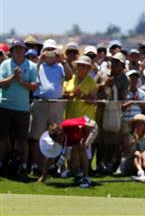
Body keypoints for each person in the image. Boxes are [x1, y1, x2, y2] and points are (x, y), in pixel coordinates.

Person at [29, 39, 73, 175]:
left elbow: (70, 76)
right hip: (40, 103)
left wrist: (63, 60)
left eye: (52, 50)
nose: (49, 53)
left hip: (56, 104)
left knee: (57, 136)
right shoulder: (38, 66)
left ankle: (53, 166)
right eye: (47, 50)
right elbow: (31, 75)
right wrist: (40, 60)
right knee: (37, 136)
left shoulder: (60, 66)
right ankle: (37, 165)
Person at [0, 40, 38, 176]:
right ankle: (4, 162)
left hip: (22, 108)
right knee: (3, 137)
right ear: (12, 50)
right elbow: (1, 83)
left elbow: (35, 86)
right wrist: (13, 77)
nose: (18, 50)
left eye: (21, 48)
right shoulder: (5, 64)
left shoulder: (32, 66)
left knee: (22, 139)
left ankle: (22, 165)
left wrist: (21, 80)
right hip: (4, 105)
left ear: (25, 50)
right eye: (16, 48)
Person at [37, 116, 98, 188]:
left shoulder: (68, 125)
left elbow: (89, 126)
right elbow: (51, 155)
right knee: (74, 156)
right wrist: (43, 176)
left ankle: (86, 178)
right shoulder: (59, 136)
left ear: (61, 134)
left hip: (91, 128)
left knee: (81, 147)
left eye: (58, 140)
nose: (59, 143)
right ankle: (73, 171)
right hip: (79, 133)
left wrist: (84, 139)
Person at [95, 52, 130, 175]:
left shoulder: (125, 79)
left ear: (122, 65)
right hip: (99, 110)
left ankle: (109, 164)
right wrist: (104, 85)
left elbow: (123, 97)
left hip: (114, 111)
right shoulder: (101, 74)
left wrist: (114, 85)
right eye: (113, 61)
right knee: (98, 139)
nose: (114, 64)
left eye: (117, 62)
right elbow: (93, 89)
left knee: (112, 140)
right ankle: (99, 164)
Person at [120, 114, 145, 182]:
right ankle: (140, 173)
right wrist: (134, 141)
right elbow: (125, 151)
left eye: (141, 123)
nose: (138, 125)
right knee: (137, 153)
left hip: (144, 161)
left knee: (144, 153)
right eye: (137, 123)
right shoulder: (128, 136)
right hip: (129, 164)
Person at [63, 56, 97, 120]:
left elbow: (93, 101)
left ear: (88, 68)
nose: (80, 67)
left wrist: (81, 95)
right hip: (70, 116)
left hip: (85, 119)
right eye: (79, 65)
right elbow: (63, 94)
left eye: (83, 66)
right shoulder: (69, 79)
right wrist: (72, 94)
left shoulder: (92, 82)